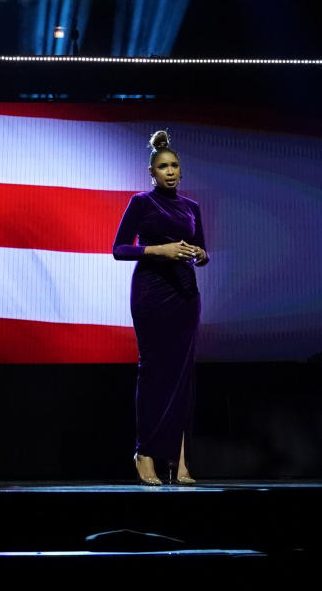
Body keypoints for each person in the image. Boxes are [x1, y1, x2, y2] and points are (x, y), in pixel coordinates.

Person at [112, 130, 209, 485]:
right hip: (152, 292)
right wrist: (158, 251)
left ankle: (179, 461)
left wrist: (200, 254)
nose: (170, 171)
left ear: (180, 171)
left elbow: (202, 251)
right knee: (154, 373)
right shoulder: (142, 202)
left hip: (185, 294)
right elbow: (119, 248)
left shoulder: (192, 207)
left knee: (183, 376)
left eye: (175, 165)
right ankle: (145, 453)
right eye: (163, 166)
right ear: (151, 172)